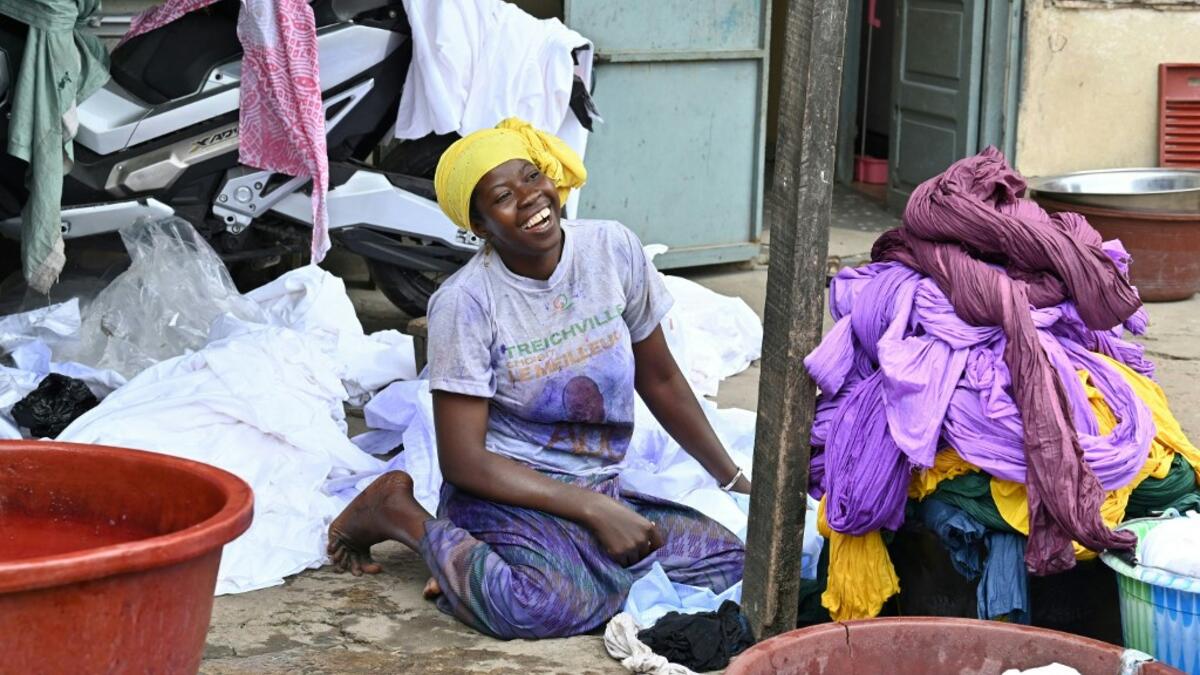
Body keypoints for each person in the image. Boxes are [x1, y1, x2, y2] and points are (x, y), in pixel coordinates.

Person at [328, 118, 750, 639]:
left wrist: (732, 478)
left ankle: (469, 569)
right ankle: (401, 514)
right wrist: (592, 510)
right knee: (540, 606)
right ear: (479, 225)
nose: (530, 198)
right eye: (503, 195)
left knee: (729, 564)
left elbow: (660, 377)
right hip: (505, 495)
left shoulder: (611, 250)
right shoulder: (466, 303)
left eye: (532, 177)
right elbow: (464, 461)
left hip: (597, 484)